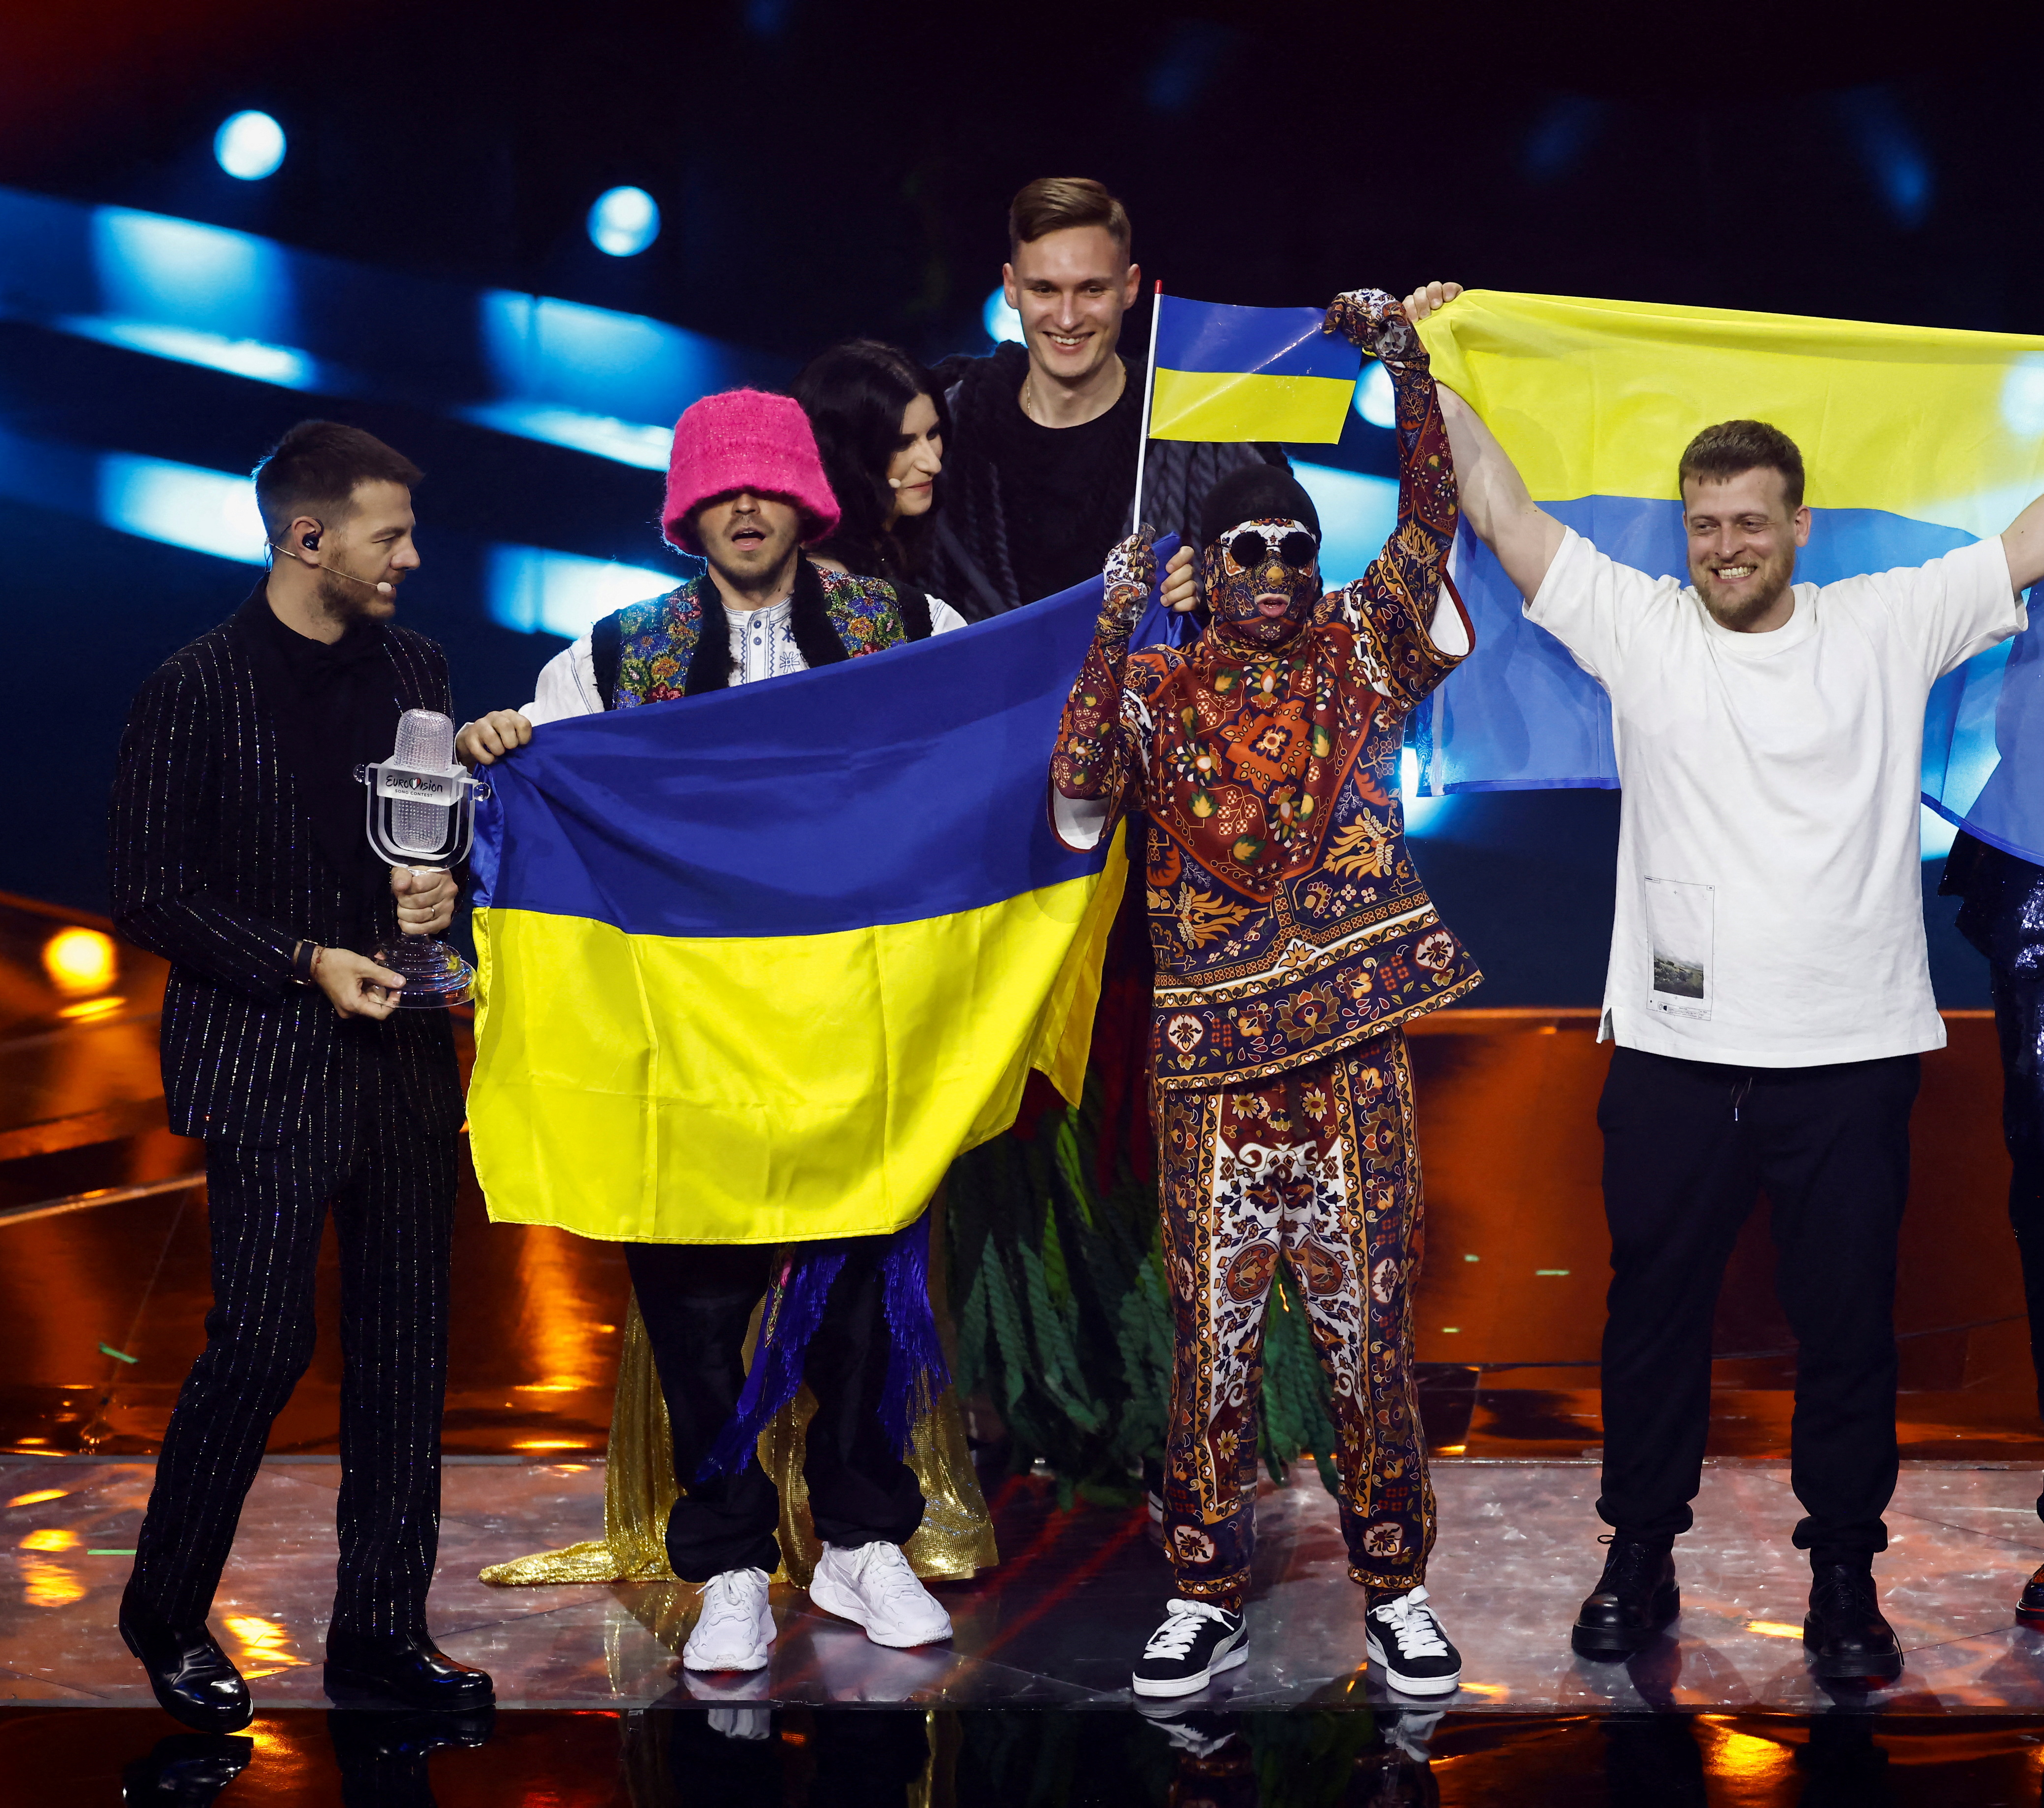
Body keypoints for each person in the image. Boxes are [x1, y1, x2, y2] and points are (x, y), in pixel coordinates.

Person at [1412, 281, 2044, 1685]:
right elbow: (1503, 512)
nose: (1726, 546)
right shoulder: (1638, 621)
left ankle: (1844, 1575)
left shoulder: (1883, 623)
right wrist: (1433, 359)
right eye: (1705, 525)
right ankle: (1638, 1554)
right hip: (1671, 1047)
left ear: (1797, 527)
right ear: (1687, 533)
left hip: (1847, 1052)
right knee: (1648, 1313)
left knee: (1846, 1328)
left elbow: (2029, 542)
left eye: (1750, 523)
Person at [456, 390, 957, 1674]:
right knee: (694, 1310)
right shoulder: (613, 657)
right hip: (685, 1049)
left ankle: (857, 1542)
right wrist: (510, 748)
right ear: (688, 510)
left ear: (802, 497)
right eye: (718, 489)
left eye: (764, 484)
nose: (743, 507)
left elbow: (984, 756)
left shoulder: (904, 630)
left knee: (855, 1303)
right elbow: (552, 811)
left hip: (856, 1036)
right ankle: (729, 1558)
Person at [1049, 288, 1475, 1701]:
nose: (1283, 567)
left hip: (1349, 1062)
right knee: (1211, 1348)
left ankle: (1397, 1589)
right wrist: (1115, 623)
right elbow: (1069, 807)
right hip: (1218, 1079)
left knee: (1368, 1339)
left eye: (1299, 543)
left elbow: (1430, 517)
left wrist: (1407, 369)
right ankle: (1198, 1591)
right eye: (1251, 547)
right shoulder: (1160, 695)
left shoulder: (1363, 647)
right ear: (1203, 560)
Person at [108, 421, 492, 1729]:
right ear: (306, 536)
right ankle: (164, 1611)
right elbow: (151, 888)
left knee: (403, 1351)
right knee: (262, 1340)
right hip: (270, 1053)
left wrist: (443, 904)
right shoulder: (193, 686)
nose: (412, 557)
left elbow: (435, 845)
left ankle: (384, 1629)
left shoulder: (420, 670)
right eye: (391, 535)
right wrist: (302, 959)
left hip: (399, 1058)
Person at [924, 176, 1283, 620]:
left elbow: (1293, 594)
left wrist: (1216, 600)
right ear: (1011, 286)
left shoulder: (1204, 433)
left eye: (1092, 289)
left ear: (1130, 287)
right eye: (1045, 289)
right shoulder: (942, 426)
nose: (1069, 317)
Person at [790, 338, 968, 640]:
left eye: (933, 433)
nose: (932, 464)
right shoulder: (826, 583)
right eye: (903, 444)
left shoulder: (908, 541)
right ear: (847, 455)